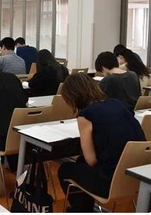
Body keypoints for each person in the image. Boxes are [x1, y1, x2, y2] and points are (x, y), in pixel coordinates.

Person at [57, 73, 145, 212]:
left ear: (72, 97)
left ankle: (82, 210)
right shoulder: (117, 103)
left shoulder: (85, 115)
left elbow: (91, 160)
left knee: (65, 169)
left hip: (111, 182)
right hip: (139, 175)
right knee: (80, 162)